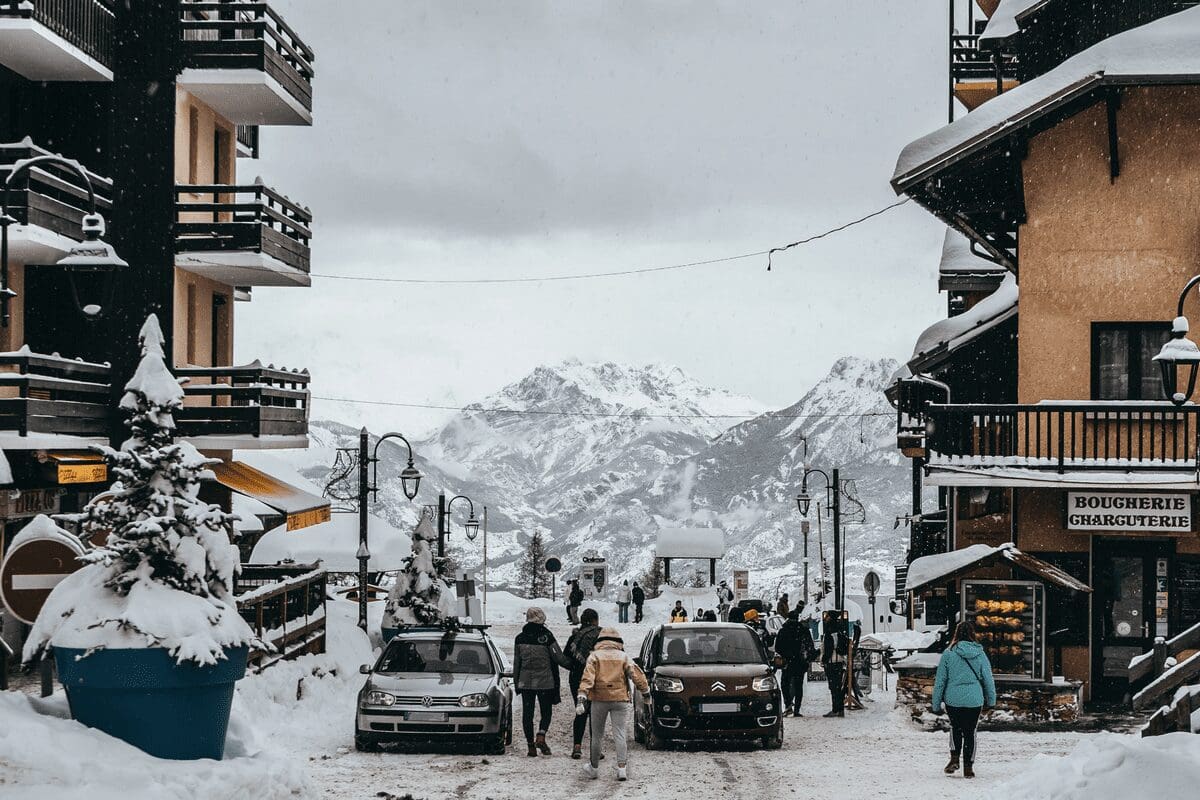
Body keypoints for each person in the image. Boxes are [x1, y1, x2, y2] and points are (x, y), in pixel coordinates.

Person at [575, 627, 649, 781]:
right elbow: (637, 675)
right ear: (618, 642)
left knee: (597, 735)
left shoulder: (594, 657)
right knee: (620, 733)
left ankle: (594, 768)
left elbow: (587, 678)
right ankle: (622, 768)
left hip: (599, 699)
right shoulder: (623, 657)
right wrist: (646, 692)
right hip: (619, 698)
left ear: (600, 641)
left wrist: (582, 695)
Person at [932, 622, 996, 779]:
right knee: (970, 732)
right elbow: (988, 679)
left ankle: (954, 758)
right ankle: (968, 767)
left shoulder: (948, 654)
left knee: (956, 728)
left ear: (956, 634)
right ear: (972, 634)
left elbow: (940, 680)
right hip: (974, 699)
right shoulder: (980, 654)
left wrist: (936, 703)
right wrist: (991, 700)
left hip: (953, 699)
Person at [513, 607, 571, 756]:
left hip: (525, 682)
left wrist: (516, 682)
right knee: (546, 711)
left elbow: (517, 663)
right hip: (545, 681)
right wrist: (574, 666)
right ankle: (541, 734)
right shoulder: (546, 636)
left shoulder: (519, 638)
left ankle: (530, 746)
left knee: (527, 714)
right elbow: (559, 658)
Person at [564, 608, 603, 760]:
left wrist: (576, 667)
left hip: (577, 678)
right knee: (596, 713)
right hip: (597, 678)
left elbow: (566, 656)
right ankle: (596, 749)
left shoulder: (575, 637)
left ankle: (577, 747)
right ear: (595, 620)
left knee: (581, 711)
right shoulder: (601, 635)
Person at [774, 609, 816, 716]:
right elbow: (809, 646)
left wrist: (786, 654)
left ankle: (788, 705)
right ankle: (797, 709)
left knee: (785, 684)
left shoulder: (783, 630)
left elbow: (778, 647)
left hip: (787, 662)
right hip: (800, 663)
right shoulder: (803, 630)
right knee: (798, 686)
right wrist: (809, 658)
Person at [821, 610, 850, 718]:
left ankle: (835, 709)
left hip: (832, 662)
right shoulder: (840, 630)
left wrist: (824, 659)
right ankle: (840, 708)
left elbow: (828, 649)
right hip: (839, 661)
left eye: (827, 616)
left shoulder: (829, 632)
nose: (825, 618)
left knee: (833, 687)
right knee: (839, 686)